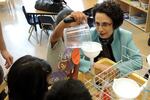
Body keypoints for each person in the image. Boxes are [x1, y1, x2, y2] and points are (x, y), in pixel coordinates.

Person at [88, 1, 143, 74]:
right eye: (97, 23)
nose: (100, 29)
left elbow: (138, 61)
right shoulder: (90, 34)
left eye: (105, 24)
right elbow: (77, 59)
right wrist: (96, 65)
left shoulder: (125, 36)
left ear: (115, 24)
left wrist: (115, 69)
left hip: (116, 75)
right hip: (93, 73)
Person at [47, 8, 86, 79]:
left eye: (76, 28)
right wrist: (68, 19)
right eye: (69, 29)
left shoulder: (75, 41)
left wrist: (75, 72)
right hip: (52, 81)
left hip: (66, 78)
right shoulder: (56, 41)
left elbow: (77, 57)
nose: (73, 32)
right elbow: (56, 34)